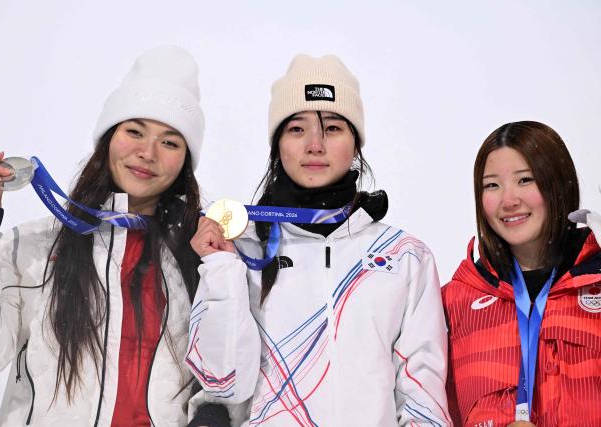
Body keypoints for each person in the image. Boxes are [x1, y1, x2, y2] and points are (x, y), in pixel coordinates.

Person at [0, 45, 228, 426]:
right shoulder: (39, 247)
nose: (147, 152)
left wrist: (213, 412)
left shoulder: (202, 260)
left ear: (185, 160)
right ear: (108, 140)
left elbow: (224, 374)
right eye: (134, 131)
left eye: (170, 142)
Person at [185, 54, 450, 426]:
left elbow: (423, 401)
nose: (315, 144)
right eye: (296, 129)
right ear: (277, 144)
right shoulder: (241, 250)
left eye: (333, 128)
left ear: (356, 143)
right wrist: (220, 268)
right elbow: (223, 384)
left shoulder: (403, 257)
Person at [442, 121, 601, 426]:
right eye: (492, 185)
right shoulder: (455, 300)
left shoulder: (595, 281)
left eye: (525, 180)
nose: (509, 200)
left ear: (558, 183)